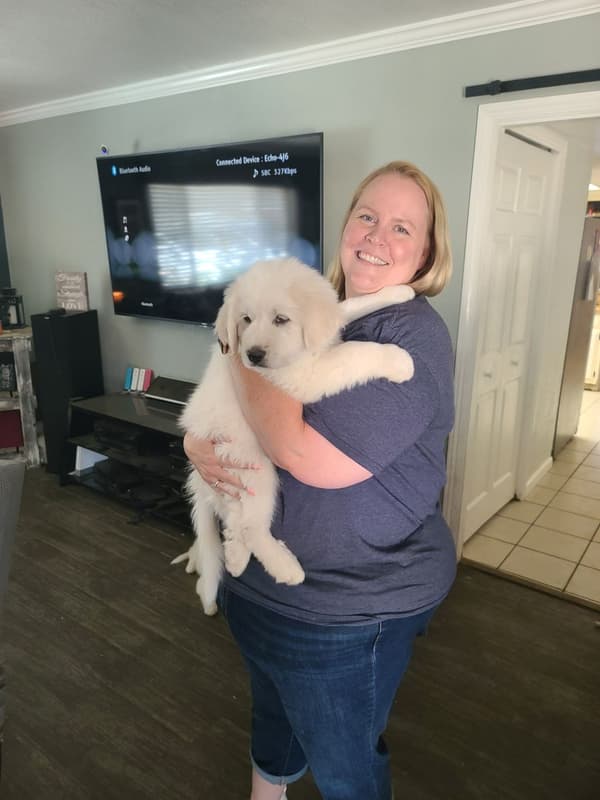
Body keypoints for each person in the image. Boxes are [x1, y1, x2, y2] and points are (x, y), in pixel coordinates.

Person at [183, 161, 456, 800]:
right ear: (344, 224)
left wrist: (236, 345)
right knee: (275, 717)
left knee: (344, 765)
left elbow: (302, 451)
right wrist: (199, 441)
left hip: (346, 609)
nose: (376, 236)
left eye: (401, 227)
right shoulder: (327, 308)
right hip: (264, 594)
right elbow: (236, 411)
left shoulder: (412, 331)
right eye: (366, 215)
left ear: (425, 254)